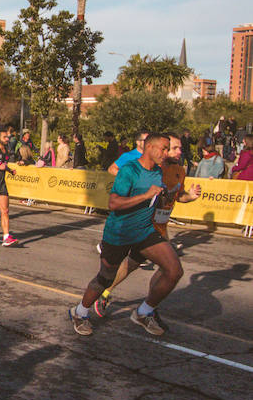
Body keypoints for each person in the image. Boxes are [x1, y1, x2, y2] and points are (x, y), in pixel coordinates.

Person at [69, 134, 188, 336]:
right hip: (119, 233)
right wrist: (145, 195)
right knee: (105, 279)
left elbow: (155, 200)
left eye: (169, 149)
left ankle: (143, 312)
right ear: (149, 147)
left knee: (174, 270)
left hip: (144, 232)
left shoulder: (158, 171)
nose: (166, 153)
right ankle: (80, 312)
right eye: (164, 148)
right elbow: (113, 203)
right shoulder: (129, 170)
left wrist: (175, 194)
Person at [91, 133, 201, 318]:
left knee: (143, 265)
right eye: (173, 148)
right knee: (161, 267)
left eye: (178, 148)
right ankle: (134, 304)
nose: (177, 152)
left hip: (161, 226)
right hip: (144, 225)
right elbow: (122, 179)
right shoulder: (151, 168)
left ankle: (144, 305)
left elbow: (176, 196)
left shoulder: (179, 171)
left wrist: (190, 197)